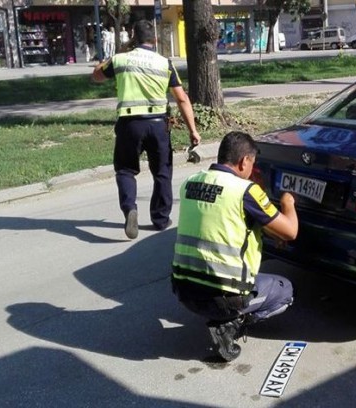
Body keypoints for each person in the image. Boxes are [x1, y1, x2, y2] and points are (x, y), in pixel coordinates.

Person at [171, 131, 299, 361]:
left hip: (184, 293)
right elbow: (290, 231)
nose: (252, 170)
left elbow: (223, 220)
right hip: (224, 299)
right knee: (285, 290)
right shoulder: (246, 192)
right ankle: (229, 324)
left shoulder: (190, 183)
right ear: (244, 161)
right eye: (253, 164)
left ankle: (223, 315)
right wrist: (288, 202)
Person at [91, 20, 200, 239]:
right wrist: (193, 131)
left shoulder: (120, 60)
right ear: (155, 39)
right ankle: (160, 219)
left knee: (125, 170)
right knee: (162, 172)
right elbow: (182, 98)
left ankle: (130, 208)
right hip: (159, 125)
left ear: (133, 36)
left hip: (130, 125)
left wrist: (121, 50)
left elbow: (96, 76)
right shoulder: (164, 63)